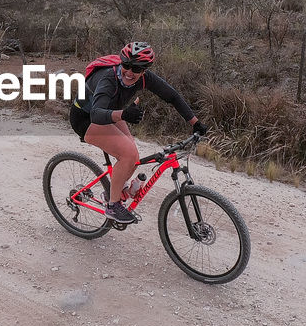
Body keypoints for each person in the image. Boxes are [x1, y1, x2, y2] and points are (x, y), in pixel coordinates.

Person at [69, 41, 208, 224]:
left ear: (144, 70)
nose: (128, 71)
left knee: (132, 157)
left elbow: (172, 96)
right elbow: (96, 114)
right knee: (128, 154)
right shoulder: (108, 78)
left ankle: (112, 192)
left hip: (111, 113)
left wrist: (195, 123)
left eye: (135, 68)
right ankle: (112, 206)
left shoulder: (145, 78)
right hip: (86, 118)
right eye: (125, 65)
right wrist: (124, 114)